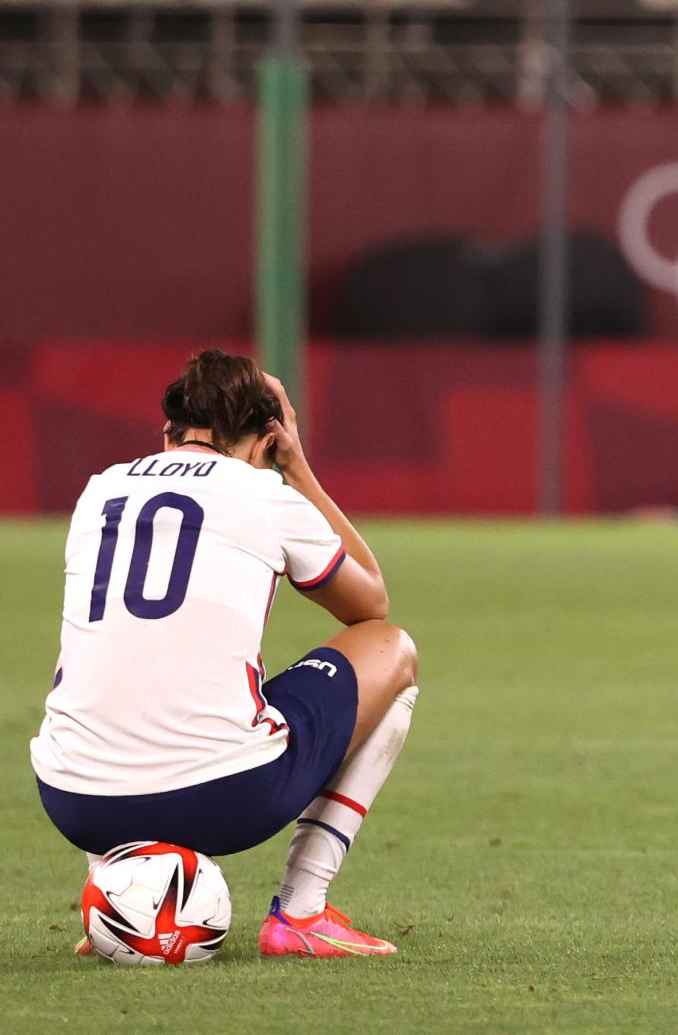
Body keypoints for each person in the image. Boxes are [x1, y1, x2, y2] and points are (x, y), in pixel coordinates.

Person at [29, 349, 419, 959]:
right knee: (392, 649)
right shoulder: (262, 490)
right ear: (265, 443)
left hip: (73, 800)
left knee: (105, 666)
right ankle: (301, 911)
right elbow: (371, 602)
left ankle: (110, 901)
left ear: (168, 434)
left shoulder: (99, 491)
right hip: (224, 798)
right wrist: (298, 470)